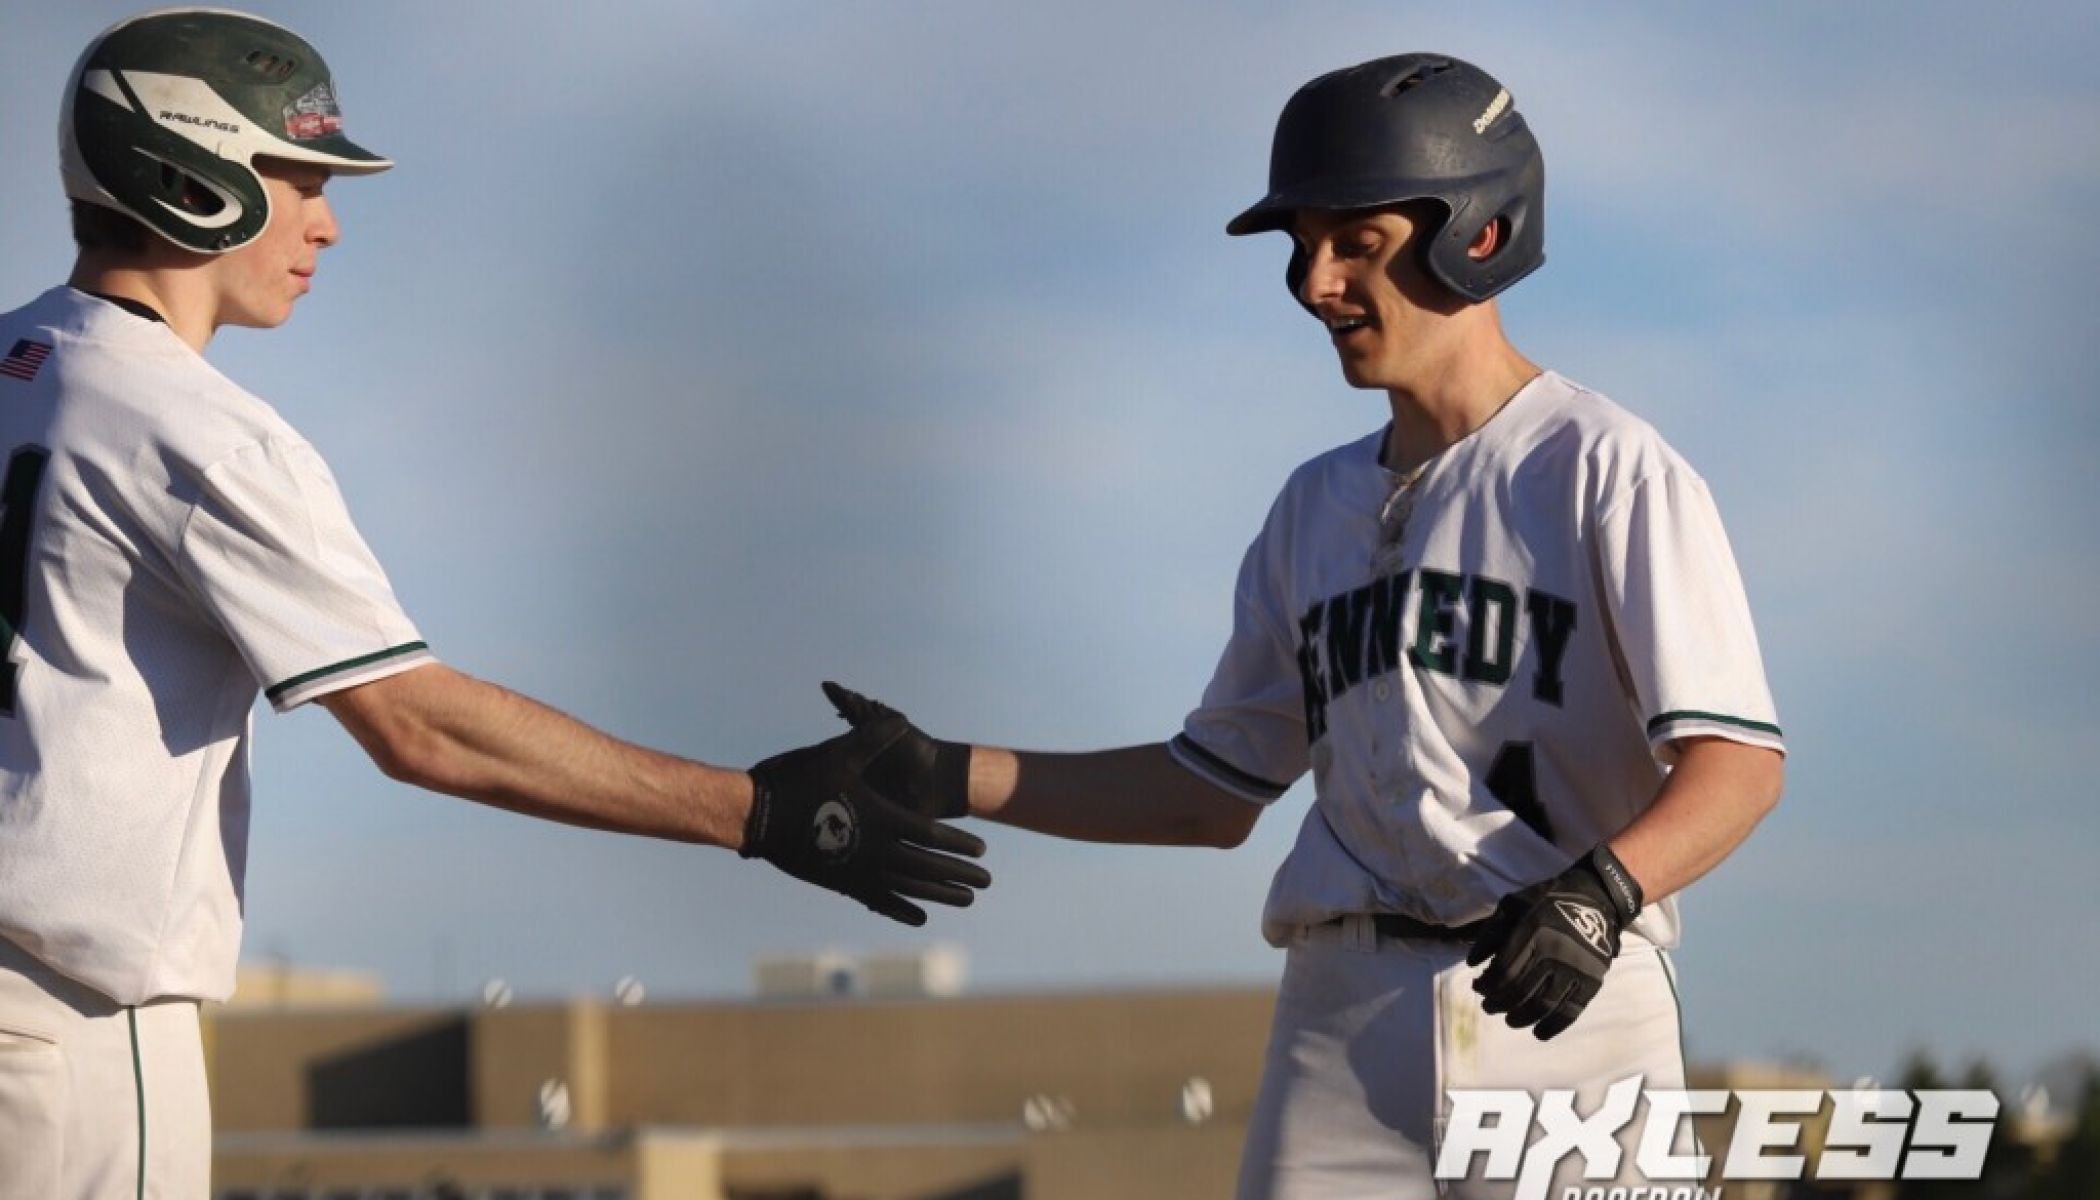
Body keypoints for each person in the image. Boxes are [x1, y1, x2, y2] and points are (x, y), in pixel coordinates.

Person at [0, 10, 988, 1196]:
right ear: (191, 171)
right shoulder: (201, 433)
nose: (327, 221)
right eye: (300, 176)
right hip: (72, 1028)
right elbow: (417, 727)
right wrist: (761, 813)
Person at [826, 53, 1785, 1198]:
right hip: (1342, 1027)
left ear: (1477, 234)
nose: (1313, 281)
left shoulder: (1604, 471)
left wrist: (1605, 892)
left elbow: (1737, 765)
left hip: (1565, 1016)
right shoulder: (1310, 510)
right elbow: (1211, 792)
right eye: (1301, 247)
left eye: (1354, 243)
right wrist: (945, 772)